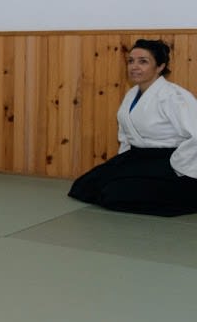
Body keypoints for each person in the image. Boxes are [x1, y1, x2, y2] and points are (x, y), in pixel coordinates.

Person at [68, 39, 197, 216]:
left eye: (143, 61)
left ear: (160, 67)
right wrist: (123, 163)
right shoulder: (132, 94)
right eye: (131, 61)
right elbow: (125, 134)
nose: (134, 66)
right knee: (85, 186)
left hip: (169, 161)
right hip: (138, 156)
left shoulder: (174, 96)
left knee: (116, 194)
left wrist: (181, 166)